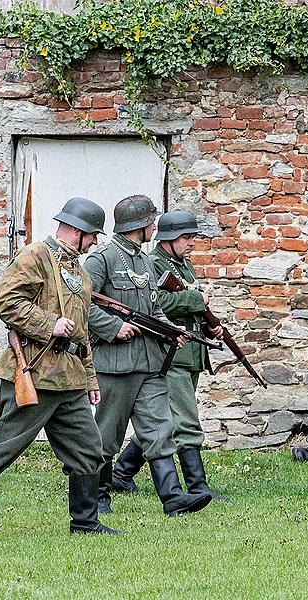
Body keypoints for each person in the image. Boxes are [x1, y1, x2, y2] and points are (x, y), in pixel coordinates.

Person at [0, 197, 121, 537]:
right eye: (91, 235)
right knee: (3, 447)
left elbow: (83, 330)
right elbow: (7, 301)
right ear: (76, 231)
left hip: (71, 378)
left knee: (89, 449)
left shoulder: (80, 272)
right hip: (35, 371)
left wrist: (90, 379)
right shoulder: (34, 256)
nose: (94, 243)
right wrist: (49, 323)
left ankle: (85, 523)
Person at [86, 196, 211, 517]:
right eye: (151, 222)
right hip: (115, 365)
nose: (155, 227)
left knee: (159, 429)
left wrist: (172, 331)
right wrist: (114, 327)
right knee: (107, 435)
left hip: (150, 363)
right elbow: (82, 304)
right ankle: (100, 497)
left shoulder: (142, 261)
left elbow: (154, 310)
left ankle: (172, 498)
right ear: (137, 225)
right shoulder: (102, 258)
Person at [111, 211, 226, 501]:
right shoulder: (153, 264)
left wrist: (210, 328)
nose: (191, 243)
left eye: (192, 237)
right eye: (186, 238)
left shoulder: (183, 265)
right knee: (185, 421)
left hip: (191, 353)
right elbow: (156, 303)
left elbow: (191, 306)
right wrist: (195, 299)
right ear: (168, 239)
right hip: (171, 355)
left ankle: (121, 473)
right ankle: (197, 487)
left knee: (168, 420)